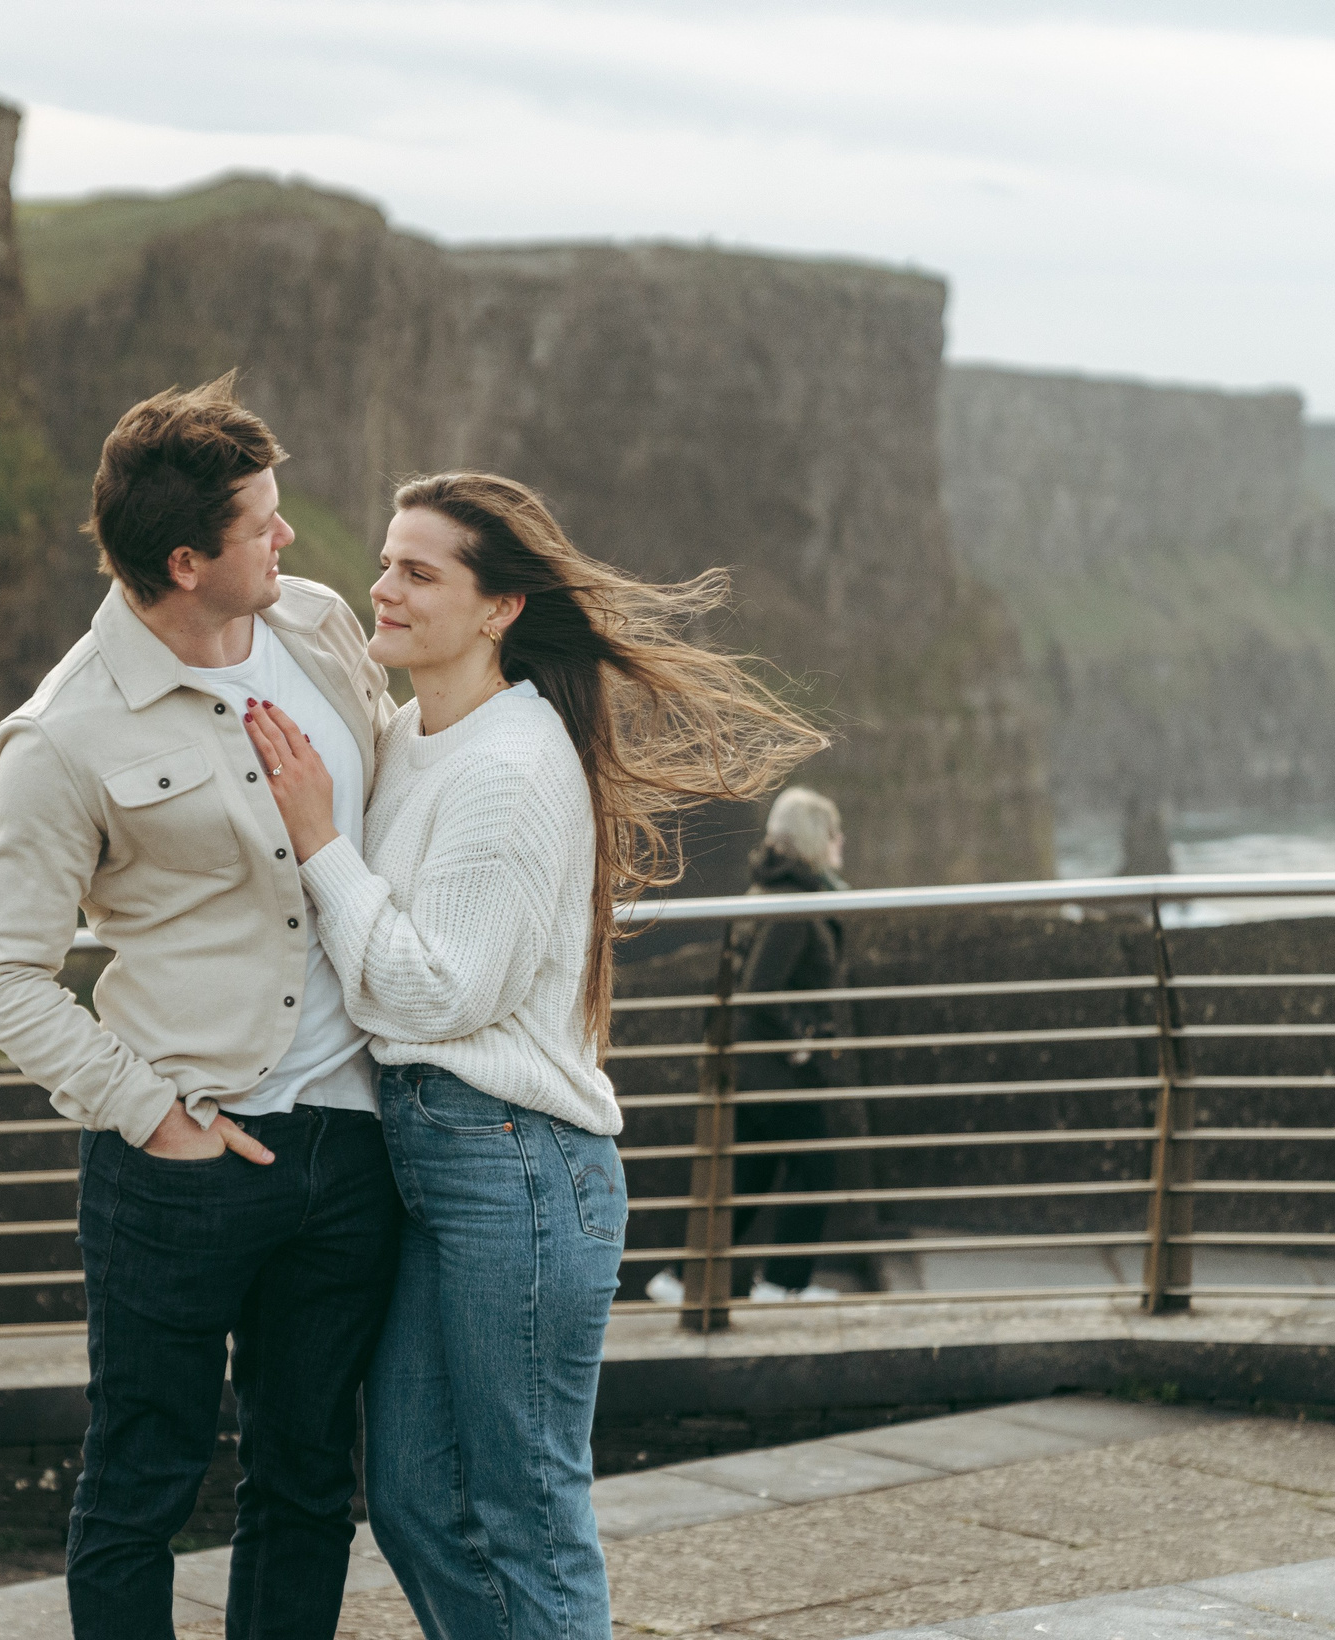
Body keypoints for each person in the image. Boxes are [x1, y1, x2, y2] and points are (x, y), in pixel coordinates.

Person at [242, 471, 821, 1640]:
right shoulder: (410, 735)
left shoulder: (510, 766)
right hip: (437, 1157)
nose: (384, 587)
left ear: (499, 607)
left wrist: (318, 840)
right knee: (413, 1496)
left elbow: (439, 988)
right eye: (386, 561)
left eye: (419, 571)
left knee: (526, 1508)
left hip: (517, 1165)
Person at [0, 375, 401, 1640]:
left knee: (309, 1482)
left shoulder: (318, 626)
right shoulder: (63, 733)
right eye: (263, 522)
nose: (291, 535)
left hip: (352, 1140)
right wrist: (153, 1116)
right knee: (139, 1486)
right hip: (181, 1161)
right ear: (186, 561)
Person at [646, 789, 849, 1310]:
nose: (840, 842)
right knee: (817, 1167)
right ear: (814, 839)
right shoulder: (794, 905)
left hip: (752, 1065)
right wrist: (800, 1038)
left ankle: (681, 1277)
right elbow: (759, 987)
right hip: (776, 1069)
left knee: (752, 1176)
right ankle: (782, 1285)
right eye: (833, 832)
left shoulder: (769, 891)